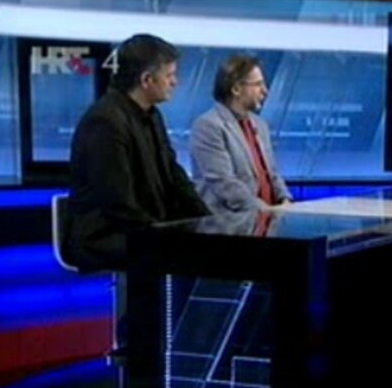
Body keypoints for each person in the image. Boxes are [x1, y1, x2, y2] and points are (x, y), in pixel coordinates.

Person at [66, 34, 209, 272]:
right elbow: (117, 202)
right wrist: (158, 233)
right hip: (106, 236)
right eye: (169, 75)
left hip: (145, 228)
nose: (175, 82)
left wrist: (204, 219)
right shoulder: (105, 121)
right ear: (146, 80)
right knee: (186, 253)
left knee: (211, 247)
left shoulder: (151, 115)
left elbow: (173, 174)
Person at [189, 54, 292, 223]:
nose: (265, 91)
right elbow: (225, 184)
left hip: (267, 224)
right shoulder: (208, 126)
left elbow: (272, 173)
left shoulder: (260, 125)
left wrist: (285, 200)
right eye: (258, 84)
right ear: (236, 89)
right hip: (229, 228)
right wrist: (266, 210)